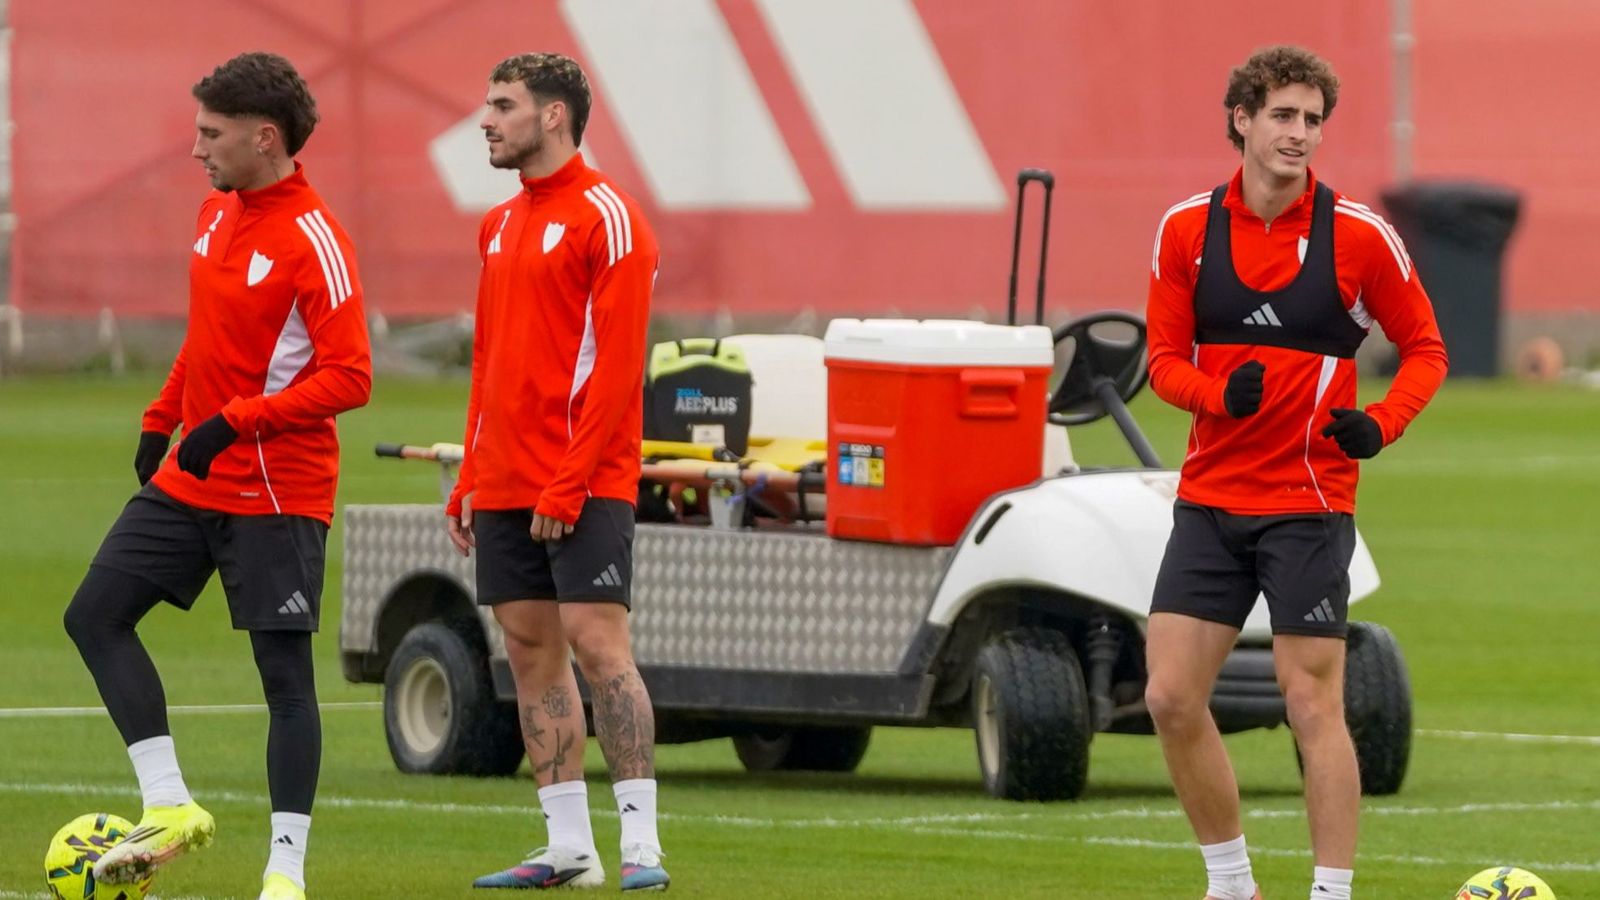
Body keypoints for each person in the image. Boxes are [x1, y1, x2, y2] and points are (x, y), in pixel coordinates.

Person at [1143, 46, 1448, 900]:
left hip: (1308, 504)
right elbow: (1161, 361)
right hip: (1209, 502)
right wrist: (1215, 395)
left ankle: (1330, 893)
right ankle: (1232, 884)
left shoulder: (1360, 235)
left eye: (1313, 120)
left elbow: (1426, 349)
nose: (1300, 133)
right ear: (1241, 118)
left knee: (1311, 702)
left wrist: (1380, 423)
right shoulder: (1184, 231)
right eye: (1283, 114)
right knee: (1169, 696)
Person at [65, 52, 372, 900]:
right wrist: (162, 414)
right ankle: (168, 804)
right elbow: (207, 338)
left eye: (210, 133)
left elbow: (352, 377)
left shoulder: (316, 238)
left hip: (277, 491)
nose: (196, 148)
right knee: (94, 616)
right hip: (192, 476)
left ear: (263, 138)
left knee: (284, 681)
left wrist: (237, 420)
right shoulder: (213, 213)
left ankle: (285, 872)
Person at [443, 52, 667, 892]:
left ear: (553, 116)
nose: (486, 120)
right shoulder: (497, 226)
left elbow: (618, 367)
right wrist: (470, 472)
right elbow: (489, 360)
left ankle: (642, 846)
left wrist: (569, 481)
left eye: (503, 105)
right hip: (504, 479)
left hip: (585, 478)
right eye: (488, 104)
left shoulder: (611, 217)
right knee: (531, 650)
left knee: (599, 645)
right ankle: (569, 849)